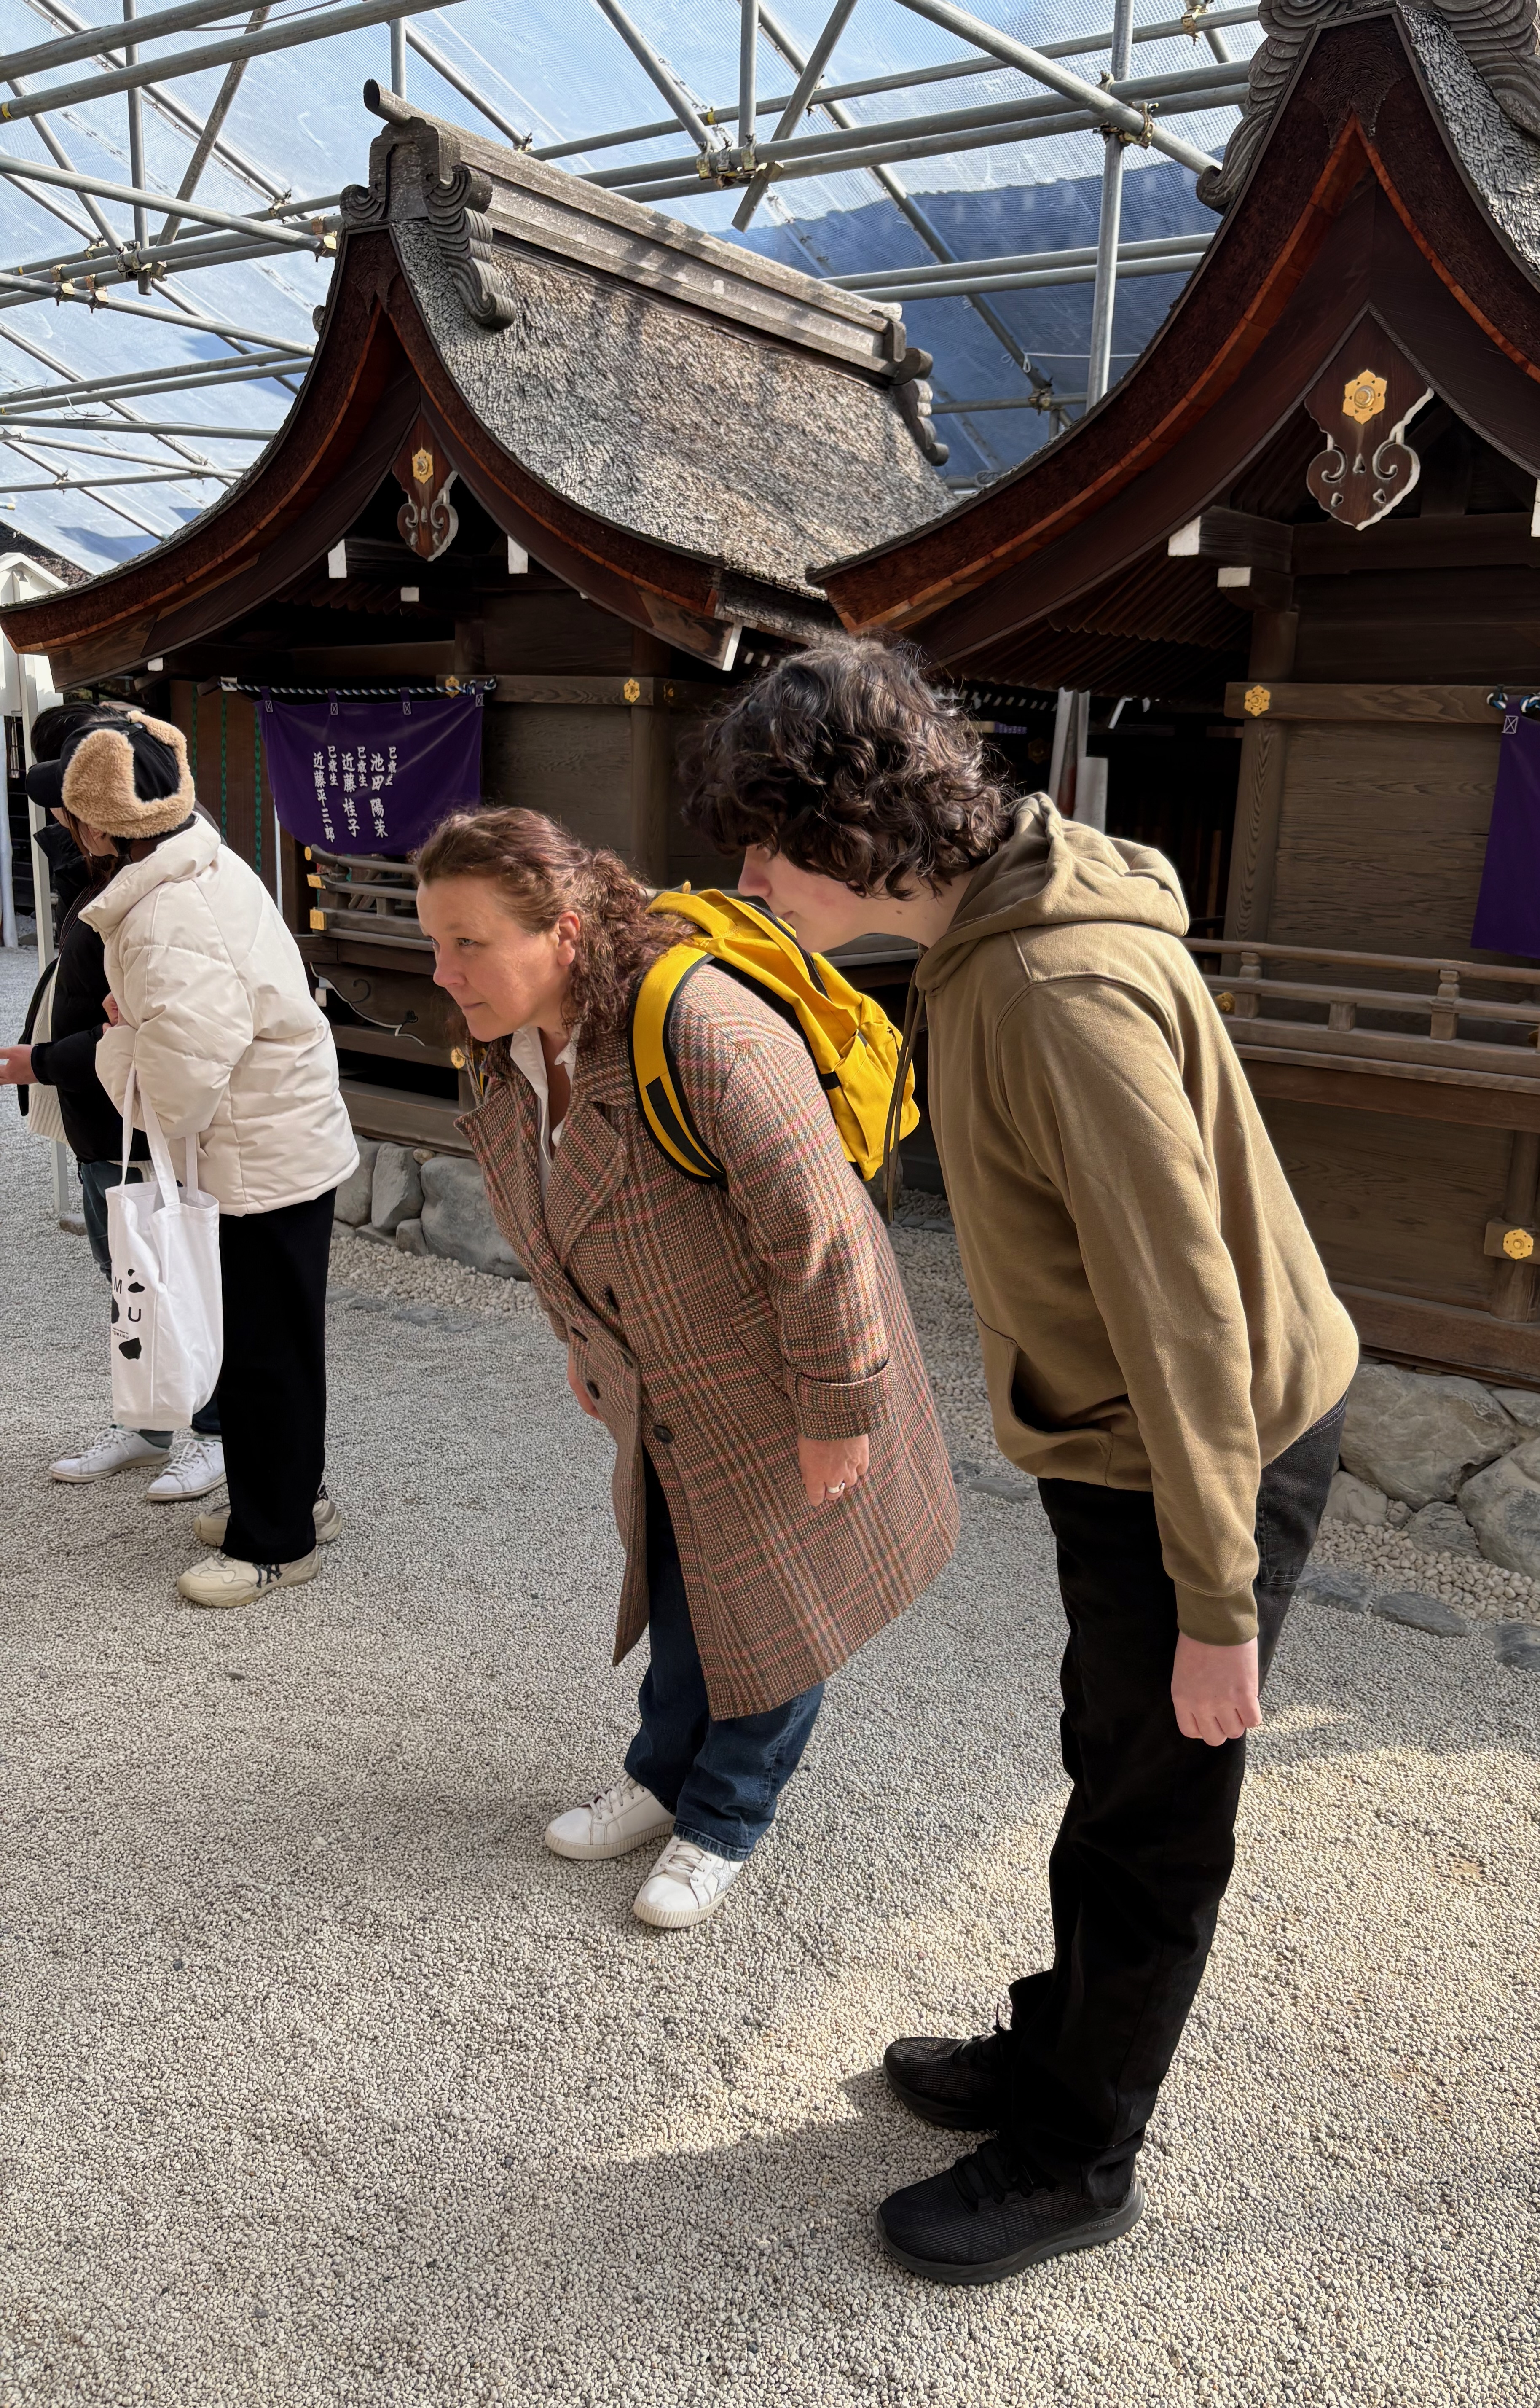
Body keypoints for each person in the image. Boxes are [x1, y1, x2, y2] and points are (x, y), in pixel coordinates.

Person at [684, 637, 1359, 2282]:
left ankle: (1081, 2152)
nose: (749, 878)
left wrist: (1219, 1604)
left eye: (767, 842)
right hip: (1131, 1436)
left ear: (857, 826)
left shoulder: (1054, 987)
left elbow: (1186, 1313)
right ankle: (1055, 2052)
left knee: (1156, 1806)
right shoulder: (993, 935)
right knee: (1108, 1757)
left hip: (1201, 1444)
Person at [413, 808, 958, 1932]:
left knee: (773, 1596)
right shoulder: (510, 1045)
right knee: (681, 1578)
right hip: (664, 1375)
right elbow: (543, 1211)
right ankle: (663, 1774)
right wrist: (582, 1343)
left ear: (563, 933)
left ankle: (726, 1811)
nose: (442, 969)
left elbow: (824, 1229)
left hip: (780, 1365)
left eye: (468, 942)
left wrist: (840, 1407)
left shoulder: (698, 1023)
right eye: (436, 941)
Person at [69, 710, 355, 1606]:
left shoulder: (163, 915)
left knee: (262, 1354)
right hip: (279, 1142)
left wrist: (116, 1042)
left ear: (104, 824)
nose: (65, 830)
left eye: (71, 814)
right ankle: (295, 1501)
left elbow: (176, 1090)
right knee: (280, 1344)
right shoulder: (199, 863)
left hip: (255, 1158)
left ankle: (275, 1542)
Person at [3, 704, 226, 1501]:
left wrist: (37, 1061)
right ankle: (151, 1418)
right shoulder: (106, 869)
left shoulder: (166, 878)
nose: (62, 816)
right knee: (129, 1272)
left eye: (75, 801)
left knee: (182, 1276)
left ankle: (212, 1432)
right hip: (102, 1112)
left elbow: (161, 1033)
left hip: (148, 1110)